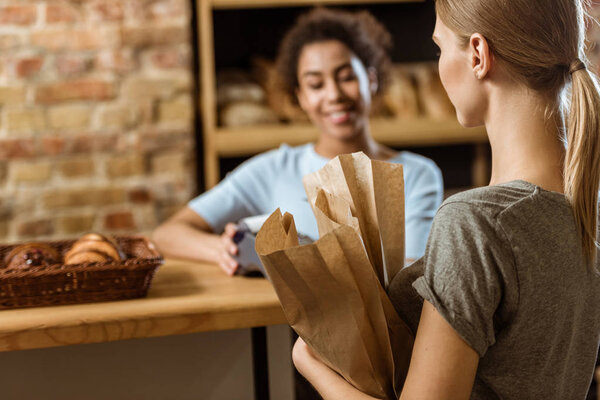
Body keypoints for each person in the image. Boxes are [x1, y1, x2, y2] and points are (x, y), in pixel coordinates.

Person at [292, 1, 600, 399]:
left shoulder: (475, 222)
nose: (438, 67)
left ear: (477, 54)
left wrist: (311, 366)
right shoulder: (587, 210)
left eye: (439, 49)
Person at [152, 8, 443, 275]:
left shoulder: (417, 174)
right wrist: (220, 250)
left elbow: (412, 274)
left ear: (371, 80)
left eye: (346, 77)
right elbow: (167, 234)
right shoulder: (275, 169)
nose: (333, 95)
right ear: (301, 97)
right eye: (316, 84)